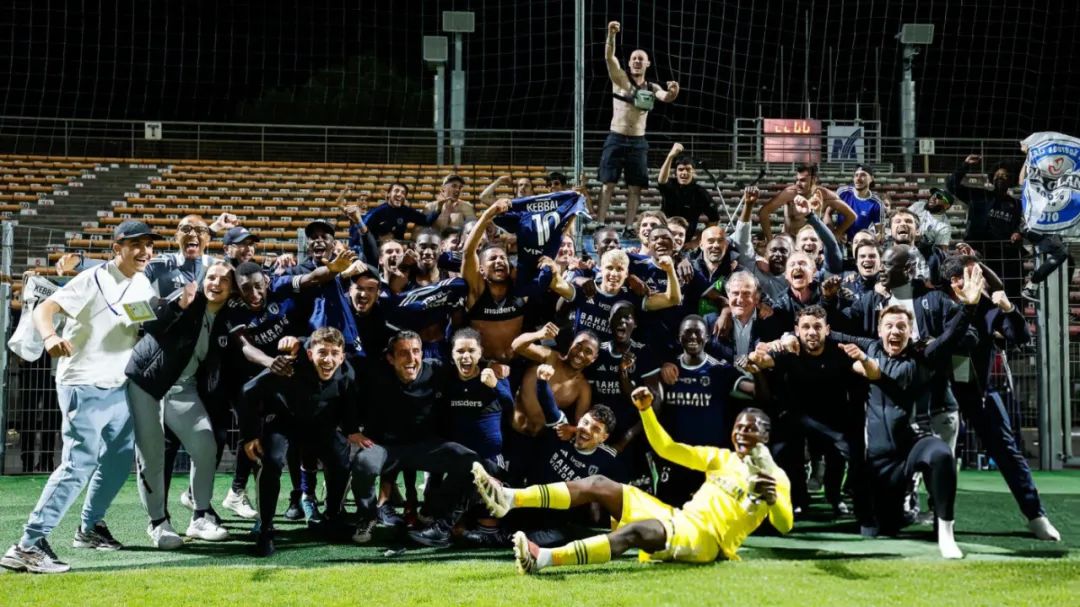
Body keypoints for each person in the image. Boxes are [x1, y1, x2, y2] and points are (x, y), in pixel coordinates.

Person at [472, 387, 792, 573]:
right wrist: (646, 411)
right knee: (598, 483)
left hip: (707, 540)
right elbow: (667, 449)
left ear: (765, 436)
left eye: (750, 428)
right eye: (738, 426)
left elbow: (784, 524)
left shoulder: (775, 477)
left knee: (635, 531)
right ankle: (510, 498)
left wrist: (773, 499)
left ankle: (543, 558)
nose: (741, 432)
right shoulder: (721, 458)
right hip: (678, 518)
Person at [2, 221, 161, 574]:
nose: (145, 251)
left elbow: (135, 326)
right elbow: (45, 309)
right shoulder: (92, 279)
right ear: (117, 248)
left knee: (118, 460)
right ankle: (27, 545)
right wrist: (49, 338)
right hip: (83, 384)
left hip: (118, 384)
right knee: (78, 464)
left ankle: (89, 528)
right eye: (136, 244)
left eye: (149, 244)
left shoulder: (142, 282)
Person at [835, 278, 983, 558]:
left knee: (941, 455)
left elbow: (951, 336)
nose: (895, 331)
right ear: (879, 330)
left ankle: (945, 533)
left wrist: (969, 307)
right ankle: (899, 511)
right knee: (884, 527)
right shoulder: (871, 347)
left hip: (915, 443)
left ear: (910, 332)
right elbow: (832, 336)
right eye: (889, 326)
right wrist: (787, 339)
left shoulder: (923, 354)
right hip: (880, 458)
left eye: (901, 327)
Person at [939, 255, 1061, 541]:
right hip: (942, 393)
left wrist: (1009, 308)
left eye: (980, 274)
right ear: (956, 282)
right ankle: (928, 514)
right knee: (937, 455)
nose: (980, 280)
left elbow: (1020, 337)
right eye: (973, 275)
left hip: (981, 392)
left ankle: (1036, 515)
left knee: (1007, 451)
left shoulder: (989, 307)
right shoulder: (937, 304)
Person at [125, 261, 238, 548]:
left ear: (232, 288)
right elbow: (147, 322)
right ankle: (158, 523)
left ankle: (200, 516)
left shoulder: (227, 316)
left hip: (183, 388)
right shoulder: (185, 298)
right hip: (148, 384)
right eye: (211, 277)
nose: (216, 283)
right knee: (151, 456)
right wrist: (177, 306)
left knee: (205, 446)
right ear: (202, 280)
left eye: (224, 280)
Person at [349, 330, 481, 548]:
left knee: (470, 461)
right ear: (390, 358)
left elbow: (469, 365)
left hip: (424, 447)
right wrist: (352, 429)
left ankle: (435, 513)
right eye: (403, 353)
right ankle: (367, 517)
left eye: (416, 351)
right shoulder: (375, 374)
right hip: (384, 447)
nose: (412, 359)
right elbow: (346, 390)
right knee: (364, 463)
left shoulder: (436, 370)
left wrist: (492, 366)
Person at [239, 327, 359, 557]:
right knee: (271, 460)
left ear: (342, 357)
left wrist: (352, 430)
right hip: (284, 423)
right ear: (310, 354)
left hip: (321, 425)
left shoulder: (347, 373)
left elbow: (349, 402)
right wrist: (250, 435)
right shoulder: (288, 367)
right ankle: (265, 529)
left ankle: (332, 518)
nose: (328, 359)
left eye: (334, 353)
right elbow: (248, 391)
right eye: (322, 352)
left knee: (341, 457)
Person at [597, 20, 680, 232]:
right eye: (634, 58)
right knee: (608, 184)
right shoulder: (620, 80)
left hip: (638, 141)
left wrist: (674, 91)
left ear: (647, 64)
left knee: (635, 188)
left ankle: (628, 226)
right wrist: (611, 35)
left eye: (640, 59)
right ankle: (600, 223)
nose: (636, 61)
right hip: (616, 137)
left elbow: (666, 97)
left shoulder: (652, 87)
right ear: (630, 62)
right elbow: (609, 57)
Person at [510, 324, 600, 435]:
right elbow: (516, 345)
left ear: (594, 358)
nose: (580, 354)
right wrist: (539, 334)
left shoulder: (583, 387)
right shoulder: (550, 357)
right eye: (578, 346)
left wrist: (570, 430)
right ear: (571, 344)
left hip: (540, 439)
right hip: (510, 429)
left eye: (588, 351)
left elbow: (581, 424)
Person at [758, 164, 855, 242]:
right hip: (792, 242)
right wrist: (770, 240)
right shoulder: (790, 194)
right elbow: (763, 212)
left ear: (814, 180)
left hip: (812, 243)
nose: (798, 184)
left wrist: (837, 233)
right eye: (797, 180)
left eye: (802, 180)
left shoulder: (826, 195)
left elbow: (852, 216)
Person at [657, 143, 719, 241]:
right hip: (664, 237)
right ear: (676, 173)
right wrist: (670, 156)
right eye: (681, 169)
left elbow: (714, 219)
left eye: (688, 169)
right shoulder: (670, 186)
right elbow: (661, 180)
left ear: (694, 172)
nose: (684, 173)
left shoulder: (700, 193)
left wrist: (697, 241)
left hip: (685, 241)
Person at [362, 182, 440, 242]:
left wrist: (439, 207)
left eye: (403, 193)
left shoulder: (406, 211)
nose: (400, 194)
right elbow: (361, 230)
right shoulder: (376, 212)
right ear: (388, 194)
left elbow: (425, 221)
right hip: (377, 249)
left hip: (398, 249)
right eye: (396, 191)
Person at [835, 165, 885, 241]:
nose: (858, 178)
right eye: (856, 175)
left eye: (863, 175)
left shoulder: (877, 204)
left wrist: (865, 241)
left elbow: (880, 233)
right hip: (838, 241)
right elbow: (827, 213)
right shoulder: (843, 192)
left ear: (871, 178)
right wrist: (834, 233)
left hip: (860, 244)